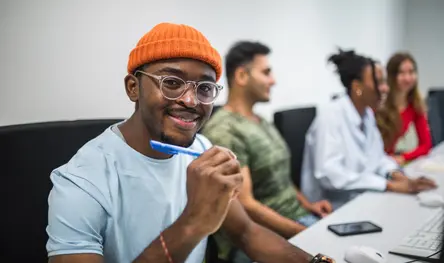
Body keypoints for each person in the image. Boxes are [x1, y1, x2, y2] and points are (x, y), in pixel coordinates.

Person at [45, 23, 335, 263]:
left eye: (205, 88)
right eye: (171, 82)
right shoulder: (82, 181)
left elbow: (246, 233)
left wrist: (315, 261)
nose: (190, 100)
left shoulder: (201, 150)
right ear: (133, 87)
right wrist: (194, 222)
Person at [201, 41, 332, 263]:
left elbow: (282, 178)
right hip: (265, 237)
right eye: (266, 72)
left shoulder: (261, 121)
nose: (273, 80)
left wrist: (309, 205)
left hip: (299, 219)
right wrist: (301, 230)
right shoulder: (225, 130)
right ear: (242, 76)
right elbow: (246, 204)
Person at [300, 49, 436, 209]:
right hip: (332, 208)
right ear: (357, 87)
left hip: (363, 199)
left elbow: (378, 158)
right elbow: (330, 175)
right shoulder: (330, 116)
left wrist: (397, 175)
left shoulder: (367, 115)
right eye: (379, 82)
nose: (385, 88)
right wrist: (388, 185)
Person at [376, 52, 432, 165]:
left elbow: (426, 145)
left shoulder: (414, 105)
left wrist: (403, 157)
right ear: (391, 76)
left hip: (388, 163)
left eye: (411, 72)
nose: (407, 78)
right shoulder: (378, 104)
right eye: (401, 73)